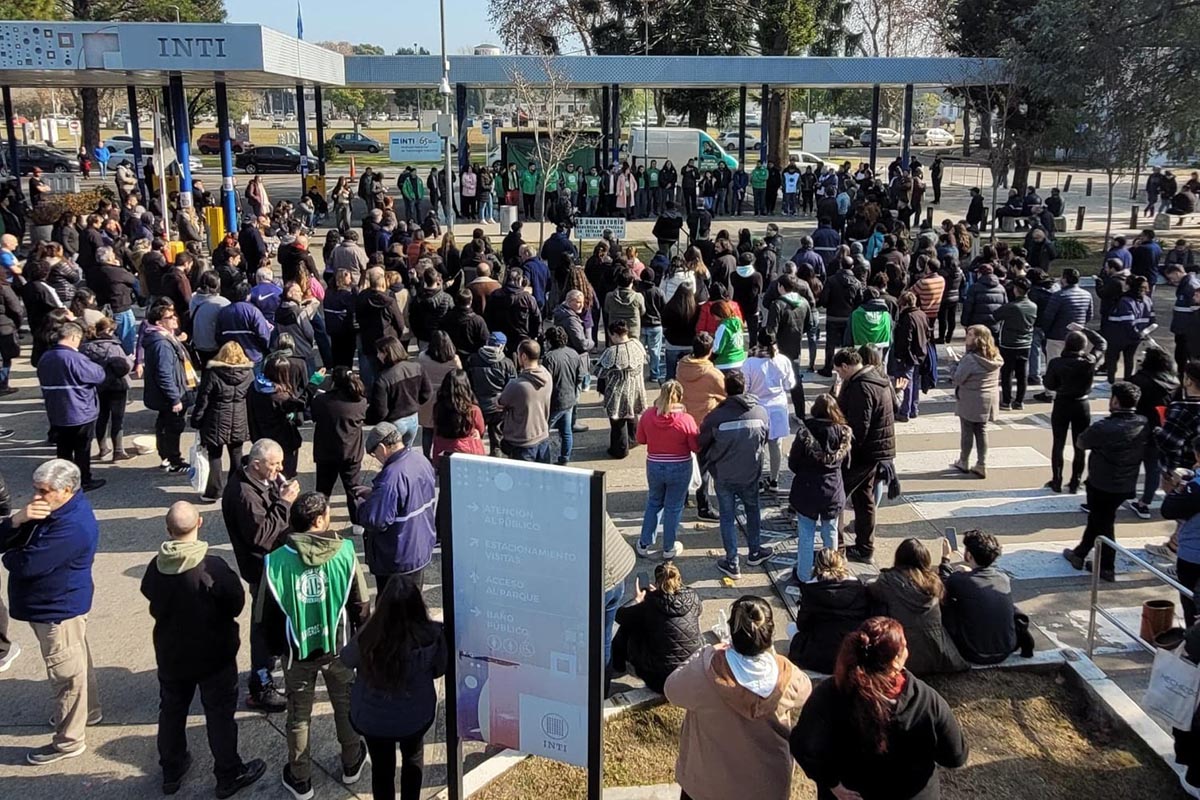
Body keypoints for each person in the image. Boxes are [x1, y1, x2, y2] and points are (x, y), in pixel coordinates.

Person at [140, 501, 267, 797]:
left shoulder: (155, 567)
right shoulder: (213, 568)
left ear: (168, 530)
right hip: (214, 655)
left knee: (172, 709)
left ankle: (171, 768)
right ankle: (228, 772)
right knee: (219, 714)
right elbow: (235, 603)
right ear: (200, 523)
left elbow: (148, 592)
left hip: (172, 653)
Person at [260, 492, 370, 799]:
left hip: (297, 652)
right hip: (338, 647)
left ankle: (301, 778)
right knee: (345, 704)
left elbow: (265, 617)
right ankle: (352, 762)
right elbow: (361, 604)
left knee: (298, 715)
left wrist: (279, 650)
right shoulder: (345, 552)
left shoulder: (275, 562)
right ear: (319, 520)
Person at [790, 616, 968, 799]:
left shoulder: (830, 694)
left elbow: (803, 745)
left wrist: (832, 783)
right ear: (895, 661)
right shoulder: (927, 701)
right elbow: (955, 756)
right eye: (904, 647)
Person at [1, 459, 104, 763]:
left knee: (65, 676)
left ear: (67, 490)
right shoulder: (51, 510)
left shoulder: (72, 526)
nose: (37, 496)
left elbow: (26, 564)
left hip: (57, 610)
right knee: (76, 661)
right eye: (35, 489)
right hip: (54, 606)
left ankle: (69, 741)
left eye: (44, 491)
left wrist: (11, 554)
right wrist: (16, 521)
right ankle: (89, 712)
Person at [665, 595, 811, 800]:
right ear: (769, 634)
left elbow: (671, 689)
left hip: (708, 786)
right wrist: (773, 655)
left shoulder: (706, 672)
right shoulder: (786, 675)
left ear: (731, 633)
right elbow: (806, 690)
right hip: (767, 787)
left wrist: (704, 653)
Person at [340, 575, 446, 800]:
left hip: (373, 720)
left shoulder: (369, 637)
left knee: (381, 769)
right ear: (418, 606)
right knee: (413, 758)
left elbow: (347, 659)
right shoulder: (432, 635)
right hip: (415, 717)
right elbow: (440, 668)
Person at [222, 438, 299, 712]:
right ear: (256, 464)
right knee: (263, 625)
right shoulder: (244, 494)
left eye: (281, 463)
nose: (280, 469)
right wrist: (285, 503)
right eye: (274, 464)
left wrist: (283, 495)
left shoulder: (262, 480)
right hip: (262, 569)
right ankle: (261, 685)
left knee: (273, 623)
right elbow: (261, 536)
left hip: (275, 564)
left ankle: (268, 662)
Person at [1062, 382, 1151, 582]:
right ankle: (1080, 553)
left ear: (1116, 401)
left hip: (1102, 483)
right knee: (1099, 518)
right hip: (1125, 482)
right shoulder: (1143, 422)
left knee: (1104, 523)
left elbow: (1081, 442)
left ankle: (1107, 566)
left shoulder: (1105, 427)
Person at [700, 369, 774, 579]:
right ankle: (755, 552)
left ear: (725, 389)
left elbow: (702, 443)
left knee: (727, 517)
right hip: (750, 474)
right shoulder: (760, 412)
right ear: (745, 388)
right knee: (753, 510)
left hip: (724, 475)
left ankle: (732, 562)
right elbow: (764, 439)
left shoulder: (716, 417)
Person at [868, 539, 969, 675]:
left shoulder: (887, 581)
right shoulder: (934, 582)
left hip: (903, 655)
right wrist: (945, 560)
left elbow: (870, 590)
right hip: (937, 653)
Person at [358, 422, 438, 591]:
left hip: (398, 557)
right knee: (414, 599)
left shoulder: (390, 477)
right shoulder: (420, 460)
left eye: (374, 453)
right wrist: (376, 495)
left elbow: (375, 520)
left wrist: (363, 505)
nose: (376, 458)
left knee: (392, 604)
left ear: (382, 448)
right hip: (420, 548)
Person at [834, 348, 895, 563]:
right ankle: (865, 548)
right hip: (876, 449)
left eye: (839, 371)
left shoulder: (861, 387)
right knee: (864, 498)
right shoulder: (877, 377)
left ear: (845, 366)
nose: (839, 376)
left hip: (862, 452)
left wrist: (843, 446)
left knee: (837, 496)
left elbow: (859, 426)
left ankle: (837, 548)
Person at [788, 393, 852, 585]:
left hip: (806, 490)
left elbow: (793, 463)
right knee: (830, 532)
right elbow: (847, 464)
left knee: (806, 535)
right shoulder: (844, 433)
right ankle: (832, 572)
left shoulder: (805, 433)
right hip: (832, 489)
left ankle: (804, 575)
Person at [37, 322, 107, 492]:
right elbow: (98, 375)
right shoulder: (75, 358)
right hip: (79, 410)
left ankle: (62, 482)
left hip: (56, 411)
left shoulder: (45, 357)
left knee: (63, 449)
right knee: (82, 449)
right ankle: (84, 480)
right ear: (74, 337)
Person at [611, 561, 701, 694]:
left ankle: (617, 665)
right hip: (689, 671)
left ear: (657, 583)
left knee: (628, 626)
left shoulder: (650, 605)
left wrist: (637, 600)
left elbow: (620, 616)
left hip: (659, 679)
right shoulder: (693, 598)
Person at [634, 380, 699, 560]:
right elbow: (695, 446)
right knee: (674, 507)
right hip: (680, 466)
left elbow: (640, 439)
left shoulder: (648, 415)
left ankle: (644, 543)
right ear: (680, 397)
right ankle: (669, 547)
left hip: (654, 465)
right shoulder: (686, 419)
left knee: (654, 502)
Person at [940, 530, 1025, 665]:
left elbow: (943, 583)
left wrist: (946, 559)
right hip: (1006, 649)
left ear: (969, 555)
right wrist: (970, 572)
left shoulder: (960, 581)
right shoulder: (1003, 579)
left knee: (946, 602)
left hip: (973, 653)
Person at [1043, 328, 1107, 493]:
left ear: (1066, 344)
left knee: (1058, 443)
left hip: (1062, 403)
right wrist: (1084, 329)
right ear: (1083, 346)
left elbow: (1049, 384)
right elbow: (1101, 343)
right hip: (1081, 404)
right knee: (1080, 444)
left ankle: (1057, 480)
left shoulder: (1056, 363)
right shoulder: (1089, 361)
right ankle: (1075, 481)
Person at [786, 548, 869, 674]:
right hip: (850, 653)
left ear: (817, 566)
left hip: (819, 655)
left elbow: (802, 625)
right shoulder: (858, 587)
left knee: (791, 627)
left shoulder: (810, 589)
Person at [190, 341, 253, 502]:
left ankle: (214, 491)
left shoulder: (213, 373)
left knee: (215, 455)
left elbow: (203, 399)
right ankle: (236, 489)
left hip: (215, 419)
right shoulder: (248, 374)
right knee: (236, 455)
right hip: (239, 418)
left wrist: (196, 419)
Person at [311, 367, 368, 527]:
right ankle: (357, 522)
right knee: (353, 489)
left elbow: (312, 415)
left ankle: (319, 519)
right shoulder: (360, 402)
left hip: (326, 453)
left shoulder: (321, 401)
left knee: (323, 490)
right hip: (351, 453)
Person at [1128, 348, 1179, 519]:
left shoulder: (1140, 380)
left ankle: (1128, 492)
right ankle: (1145, 502)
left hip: (1137, 428)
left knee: (1130, 464)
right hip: (1161, 428)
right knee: (1153, 468)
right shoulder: (1173, 382)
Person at [743, 331, 797, 492]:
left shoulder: (750, 362)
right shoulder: (783, 360)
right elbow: (789, 385)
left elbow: (745, 387)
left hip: (757, 408)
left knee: (757, 446)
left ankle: (758, 481)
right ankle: (774, 480)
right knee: (776, 445)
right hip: (778, 407)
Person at [949, 325, 1002, 479]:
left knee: (967, 431)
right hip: (988, 399)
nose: (967, 337)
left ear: (978, 339)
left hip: (970, 398)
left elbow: (957, 379)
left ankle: (964, 461)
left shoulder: (970, 360)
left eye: (970, 335)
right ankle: (981, 464)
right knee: (982, 430)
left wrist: (953, 364)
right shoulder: (995, 357)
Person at [1034, 268, 1094, 402]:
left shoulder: (1058, 296)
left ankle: (1050, 393)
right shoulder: (1087, 294)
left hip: (1056, 335)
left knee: (1053, 363)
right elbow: (1089, 315)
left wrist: (1046, 331)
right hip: (1077, 336)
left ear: (1064, 279)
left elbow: (1048, 317)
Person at [597, 321, 648, 459]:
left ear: (614, 334)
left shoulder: (612, 352)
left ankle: (620, 449)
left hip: (618, 392)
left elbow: (599, 372)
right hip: (636, 388)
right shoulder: (637, 344)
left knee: (618, 422)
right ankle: (634, 439)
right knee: (632, 415)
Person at [541, 326, 584, 466]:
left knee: (543, 432)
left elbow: (546, 382)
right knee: (566, 432)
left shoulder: (549, 358)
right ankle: (564, 458)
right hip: (570, 398)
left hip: (555, 401)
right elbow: (580, 377)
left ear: (549, 341)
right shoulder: (573, 353)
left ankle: (544, 458)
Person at [993, 278, 1037, 410]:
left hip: (1009, 343)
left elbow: (996, 315)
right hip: (1026, 343)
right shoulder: (1033, 306)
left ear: (1016, 290)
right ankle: (1019, 401)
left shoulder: (1011, 306)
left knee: (1007, 373)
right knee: (1022, 374)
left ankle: (1006, 401)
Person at [1104, 275, 1155, 384]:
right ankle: (1128, 381)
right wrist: (1141, 334)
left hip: (1118, 335)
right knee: (1129, 358)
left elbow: (1128, 322)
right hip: (1136, 337)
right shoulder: (1147, 300)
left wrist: (1135, 333)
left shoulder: (1125, 300)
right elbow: (1152, 320)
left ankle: (1110, 381)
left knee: (1112, 357)